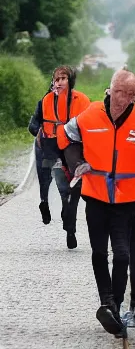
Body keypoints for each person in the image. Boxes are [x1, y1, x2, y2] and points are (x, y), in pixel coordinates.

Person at [60, 69, 135, 336]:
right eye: (121, 92)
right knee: (99, 253)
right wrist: (76, 164)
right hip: (96, 193)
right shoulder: (90, 115)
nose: (126, 99)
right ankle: (107, 303)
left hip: (129, 196)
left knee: (122, 254)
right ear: (110, 90)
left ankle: (116, 305)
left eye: (132, 94)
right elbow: (66, 136)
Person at [28, 66, 90, 249]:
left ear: (70, 81)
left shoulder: (83, 100)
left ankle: (70, 228)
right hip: (51, 149)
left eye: (63, 78)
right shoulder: (45, 101)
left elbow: (90, 124)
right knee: (51, 183)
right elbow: (33, 125)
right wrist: (40, 131)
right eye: (57, 79)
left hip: (73, 149)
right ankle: (44, 202)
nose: (60, 82)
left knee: (71, 188)